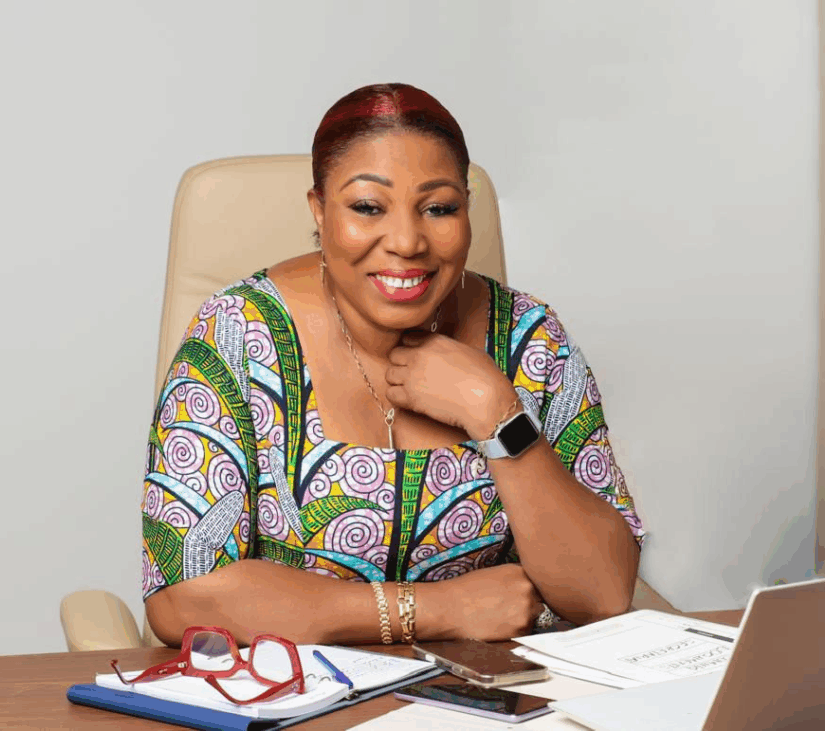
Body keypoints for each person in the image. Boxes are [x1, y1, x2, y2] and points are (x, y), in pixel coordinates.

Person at [142, 83, 644, 648]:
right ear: (319, 210)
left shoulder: (531, 337)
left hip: (499, 689)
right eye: (367, 207)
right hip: (299, 691)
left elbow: (603, 593)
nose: (407, 242)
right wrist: (434, 610)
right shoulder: (237, 334)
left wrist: (498, 416)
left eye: (439, 208)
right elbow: (182, 596)